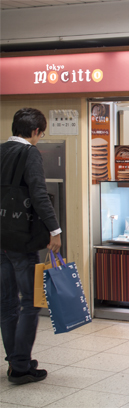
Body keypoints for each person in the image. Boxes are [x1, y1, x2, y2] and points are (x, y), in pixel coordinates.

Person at [0, 108, 61, 384]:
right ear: (36, 131)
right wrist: (55, 230)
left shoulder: (1, 150)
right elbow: (38, 193)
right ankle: (21, 365)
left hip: (0, 236)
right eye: (41, 134)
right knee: (31, 302)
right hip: (21, 238)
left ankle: (15, 361)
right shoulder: (30, 153)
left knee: (7, 302)